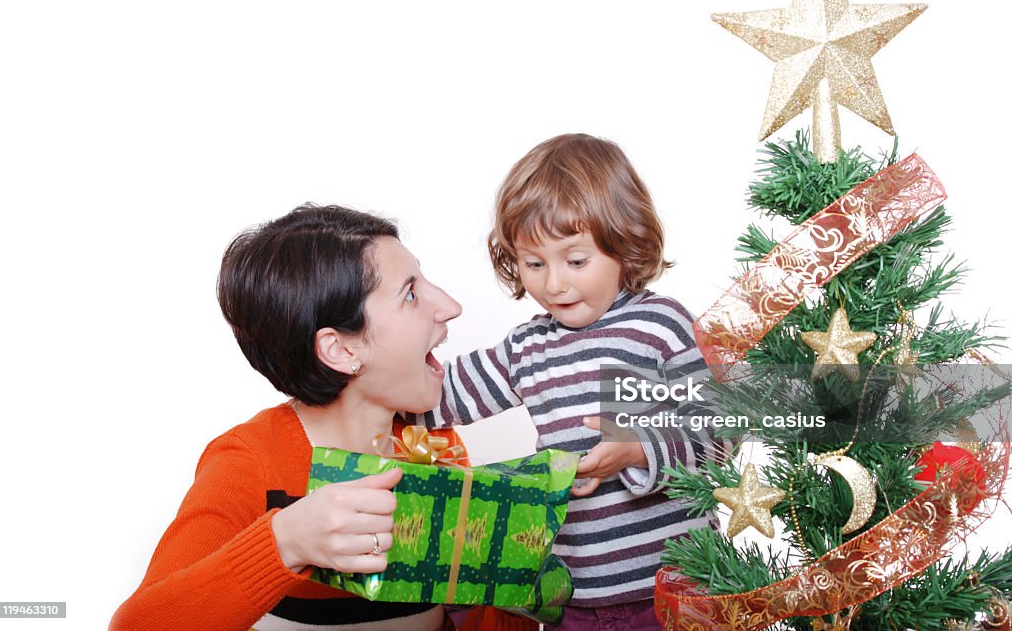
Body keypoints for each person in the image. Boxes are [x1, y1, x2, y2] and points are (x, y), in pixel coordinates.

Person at [415, 134, 723, 630]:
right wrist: (357, 378)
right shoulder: (527, 347)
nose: (553, 283)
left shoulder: (659, 326)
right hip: (573, 597)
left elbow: (718, 433)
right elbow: (438, 396)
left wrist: (636, 449)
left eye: (575, 261)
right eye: (534, 264)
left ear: (625, 242)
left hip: (678, 588)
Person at [111, 205, 471, 630]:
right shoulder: (249, 462)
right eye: (410, 293)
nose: (451, 306)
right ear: (342, 351)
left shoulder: (438, 446)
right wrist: (285, 544)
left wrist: (530, 589)